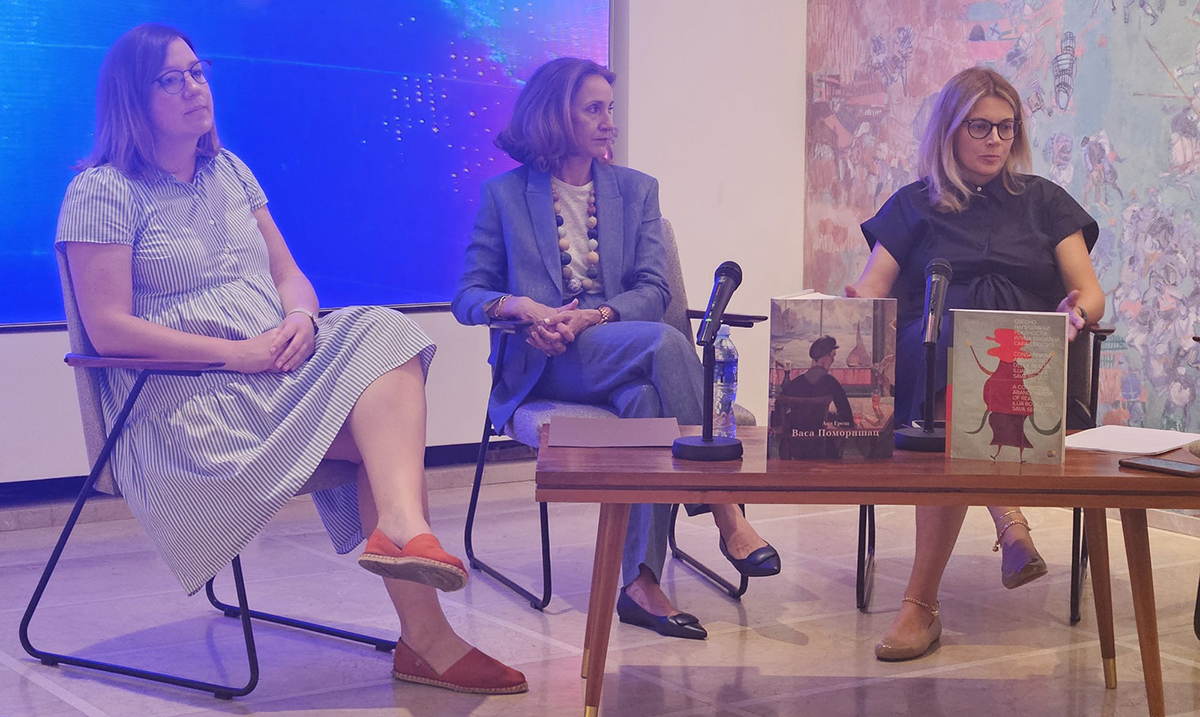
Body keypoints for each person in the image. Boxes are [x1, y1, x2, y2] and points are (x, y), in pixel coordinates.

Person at [55, 23, 526, 695]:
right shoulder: (102, 190)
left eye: (197, 71)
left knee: (385, 330)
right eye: (170, 79)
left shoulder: (229, 171)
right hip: (189, 405)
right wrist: (235, 353)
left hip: (275, 376)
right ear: (132, 99)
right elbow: (108, 331)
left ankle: (403, 533)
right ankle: (427, 633)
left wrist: (301, 318)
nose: (193, 88)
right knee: (384, 442)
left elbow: (289, 277)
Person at [452, 57, 779, 640]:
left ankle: (640, 585)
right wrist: (522, 308)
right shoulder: (504, 195)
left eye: (610, 108)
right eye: (594, 109)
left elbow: (655, 290)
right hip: (547, 363)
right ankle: (726, 507)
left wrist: (595, 316)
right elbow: (469, 297)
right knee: (665, 342)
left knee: (646, 403)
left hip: (618, 346)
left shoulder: (636, 190)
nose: (610, 122)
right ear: (556, 115)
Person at [847, 66, 1103, 661]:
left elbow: (1089, 293)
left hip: (1025, 361)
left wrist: (1075, 314)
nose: (995, 141)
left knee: (971, 364)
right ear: (950, 131)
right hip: (932, 359)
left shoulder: (1044, 201)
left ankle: (920, 605)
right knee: (946, 352)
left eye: (1006, 128)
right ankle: (1008, 520)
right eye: (980, 127)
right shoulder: (913, 204)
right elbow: (872, 289)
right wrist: (848, 307)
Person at [774, 336, 855, 459]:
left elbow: (777, 414)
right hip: (822, 450)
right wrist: (829, 416)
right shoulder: (831, 383)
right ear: (825, 357)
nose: (833, 360)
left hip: (793, 449)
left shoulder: (795, 383)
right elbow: (847, 419)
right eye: (832, 356)